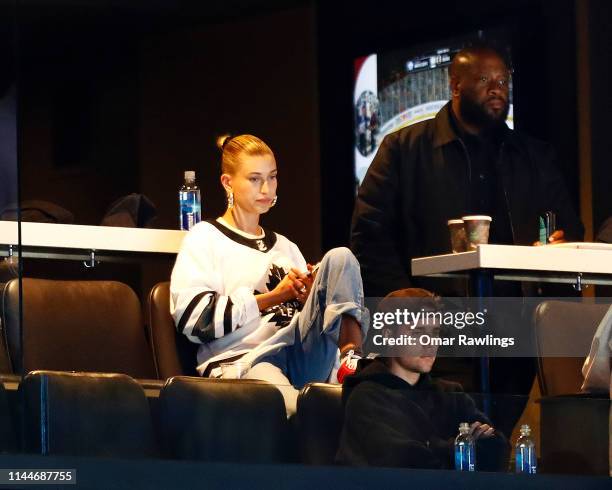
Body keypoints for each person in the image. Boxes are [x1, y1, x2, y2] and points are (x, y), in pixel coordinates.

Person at [351, 44, 584, 298]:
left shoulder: (535, 156)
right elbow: (369, 233)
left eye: (503, 81)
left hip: (521, 317)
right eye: (484, 79)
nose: (497, 89)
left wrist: (560, 244)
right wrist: (402, 297)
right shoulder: (403, 149)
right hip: (435, 317)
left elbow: (568, 227)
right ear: (456, 86)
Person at [170, 134, 368, 414]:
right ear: (228, 183)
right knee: (295, 411)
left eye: (272, 177)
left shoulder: (287, 247)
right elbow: (196, 320)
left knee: (340, 257)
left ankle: (352, 357)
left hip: (299, 352)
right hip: (247, 361)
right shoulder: (205, 238)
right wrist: (274, 297)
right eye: (254, 179)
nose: (266, 188)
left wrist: (310, 298)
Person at [336, 288, 509, 470]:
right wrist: (461, 446)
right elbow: (407, 463)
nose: (429, 342)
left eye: (434, 333)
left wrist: (432, 446)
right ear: (388, 336)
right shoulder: (366, 397)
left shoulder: (452, 394)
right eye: (417, 333)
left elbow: (498, 448)